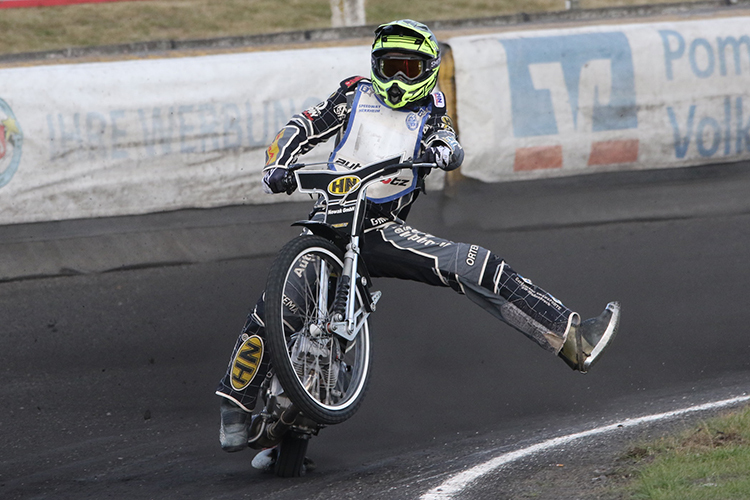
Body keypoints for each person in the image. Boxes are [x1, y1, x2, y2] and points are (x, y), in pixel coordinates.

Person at [216, 19, 621, 466]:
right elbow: (302, 124)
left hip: (381, 227)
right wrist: (278, 163)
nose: (398, 79)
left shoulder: (431, 106)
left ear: (427, 70)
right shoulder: (352, 92)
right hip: (328, 220)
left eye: (411, 68)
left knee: (473, 262)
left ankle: (571, 337)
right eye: (390, 67)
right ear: (375, 66)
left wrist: (446, 150)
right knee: (281, 302)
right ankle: (236, 405)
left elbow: (447, 139)